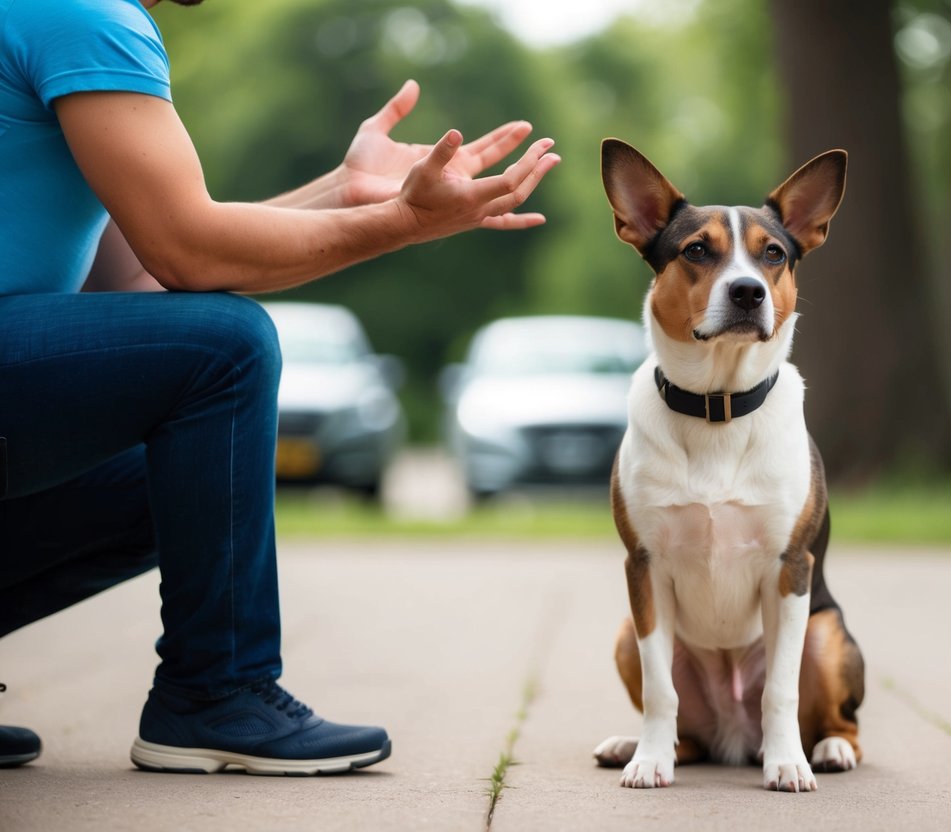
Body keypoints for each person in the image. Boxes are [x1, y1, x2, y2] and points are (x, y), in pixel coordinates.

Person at [0, 0, 560, 774]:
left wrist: (347, 190)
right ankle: (216, 692)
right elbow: (190, 258)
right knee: (228, 343)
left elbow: (140, 283)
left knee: (187, 484)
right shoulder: (81, 12)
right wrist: (405, 224)